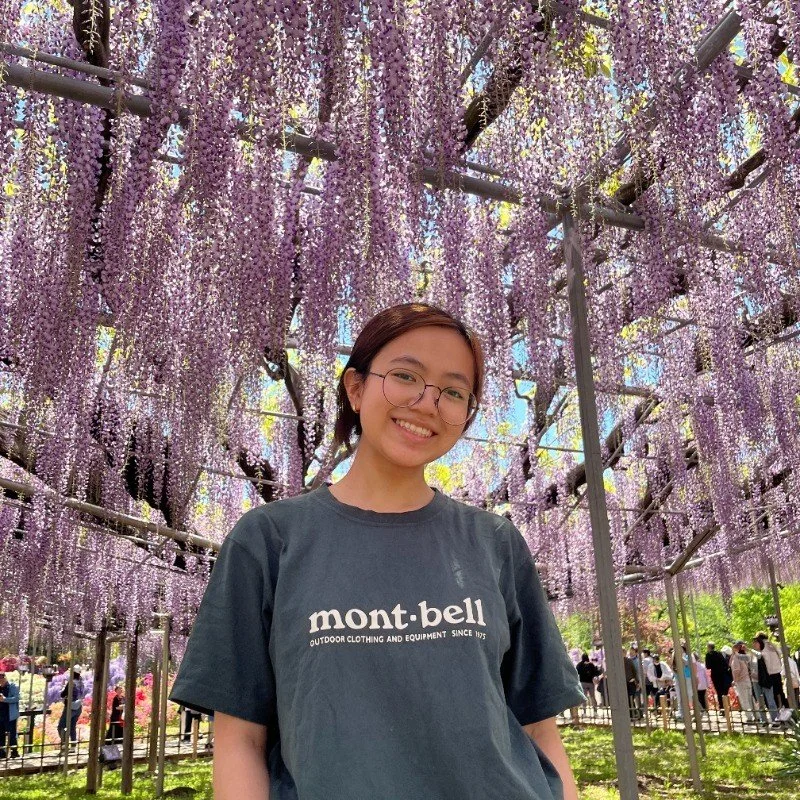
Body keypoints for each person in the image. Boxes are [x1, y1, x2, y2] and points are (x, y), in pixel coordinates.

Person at [169, 303, 585, 800]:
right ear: (356, 387)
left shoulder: (494, 543)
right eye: (406, 376)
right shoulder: (268, 540)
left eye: (453, 392)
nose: (428, 403)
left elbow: (540, 731)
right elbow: (240, 741)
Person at [58, 665, 86, 745]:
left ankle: (63, 745)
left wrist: (63, 688)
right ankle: (73, 745)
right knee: (72, 727)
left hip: (70, 707)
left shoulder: (71, 683)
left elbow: (63, 694)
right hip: (79, 707)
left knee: (61, 726)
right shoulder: (82, 683)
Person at [730, 641, 756, 724]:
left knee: (744, 700)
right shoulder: (745, 657)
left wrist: (735, 680)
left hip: (741, 681)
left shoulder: (737, 658)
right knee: (750, 699)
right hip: (747, 679)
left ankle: (749, 718)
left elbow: (736, 670)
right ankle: (757, 716)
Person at [705, 641, 732, 715]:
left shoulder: (708, 655)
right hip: (722, 675)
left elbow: (708, 666)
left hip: (715, 675)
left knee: (719, 692)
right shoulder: (719, 653)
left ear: (709, 647)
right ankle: (726, 707)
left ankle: (722, 709)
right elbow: (725, 664)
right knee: (724, 692)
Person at [0, 672, 20, 758]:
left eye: (2, 678)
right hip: (0, 715)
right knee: (0, 734)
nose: (1, 681)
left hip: (10, 715)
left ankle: (14, 752)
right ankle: (2, 753)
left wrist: (5, 699)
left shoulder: (12, 686)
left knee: (12, 734)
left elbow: (17, 698)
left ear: (5, 678)